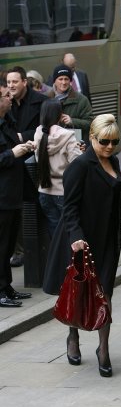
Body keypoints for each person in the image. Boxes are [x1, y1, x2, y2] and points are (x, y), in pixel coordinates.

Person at [43, 114, 121, 377]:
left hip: (109, 239)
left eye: (114, 142)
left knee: (106, 295)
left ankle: (103, 349)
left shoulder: (112, 161)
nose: (110, 147)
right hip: (84, 241)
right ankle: (73, 337)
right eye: (104, 141)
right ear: (92, 138)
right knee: (80, 293)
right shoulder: (80, 166)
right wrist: (76, 238)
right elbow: (70, 208)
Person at [7, 66, 48, 267]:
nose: (11, 86)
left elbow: (46, 128)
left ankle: (36, 251)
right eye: (8, 82)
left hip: (34, 164)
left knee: (34, 209)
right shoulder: (6, 104)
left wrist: (23, 137)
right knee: (16, 211)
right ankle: (19, 251)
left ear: (24, 82)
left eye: (15, 82)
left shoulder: (40, 102)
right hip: (12, 166)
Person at [0, 80, 36, 307]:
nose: (10, 97)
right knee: (2, 244)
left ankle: (7, 287)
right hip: (2, 197)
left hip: (12, 193)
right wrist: (13, 153)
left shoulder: (7, 121)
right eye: (5, 95)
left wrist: (23, 148)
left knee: (9, 243)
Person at [34, 99, 82, 237]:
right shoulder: (68, 136)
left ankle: (56, 258)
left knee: (55, 233)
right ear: (60, 115)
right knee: (70, 233)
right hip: (63, 192)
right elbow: (77, 164)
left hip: (44, 191)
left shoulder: (38, 133)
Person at [50, 64, 94, 145]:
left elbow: (91, 122)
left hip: (75, 146)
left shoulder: (82, 100)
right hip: (53, 146)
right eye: (60, 79)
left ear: (70, 81)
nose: (63, 82)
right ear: (54, 81)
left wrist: (72, 121)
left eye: (66, 79)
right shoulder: (46, 98)